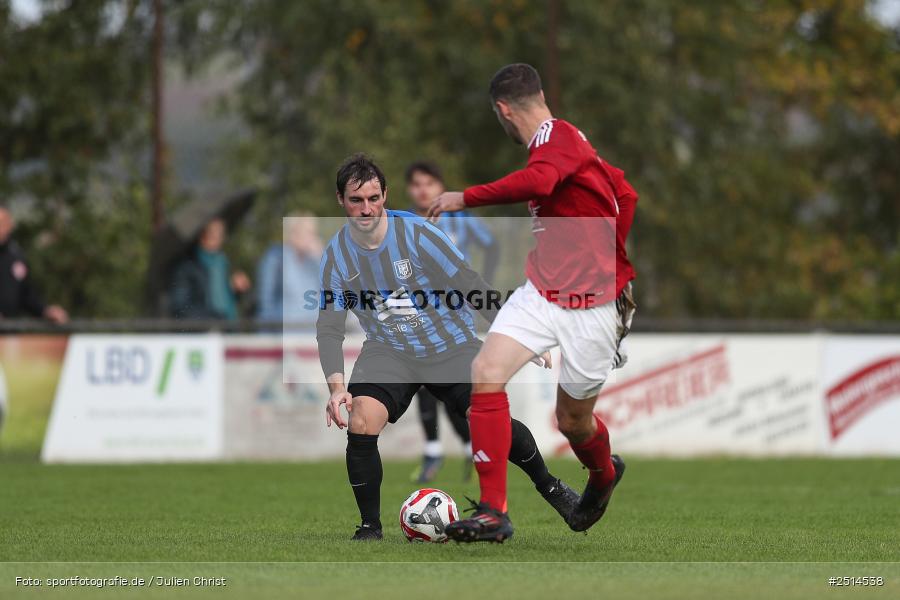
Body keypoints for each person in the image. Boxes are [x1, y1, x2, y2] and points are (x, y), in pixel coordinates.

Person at [317, 154, 579, 541]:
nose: (366, 208)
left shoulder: (419, 234)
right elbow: (329, 325)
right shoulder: (336, 256)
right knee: (360, 420)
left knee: (487, 419)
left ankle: (551, 487)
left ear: (385, 195)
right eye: (356, 200)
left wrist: (520, 332)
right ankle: (370, 527)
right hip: (390, 352)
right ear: (341, 200)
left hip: (451, 347)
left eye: (374, 198)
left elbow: (469, 283)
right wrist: (337, 388)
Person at [428, 63, 639, 543]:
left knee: (573, 422)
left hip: (593, 305)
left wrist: (466, 197)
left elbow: (541, 182)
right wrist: (610, 248)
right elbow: (626, 192)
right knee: (486, 372)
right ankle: (492, 512)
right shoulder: (568, 140)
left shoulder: (556, 138)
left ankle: (604, 475)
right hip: (542, 291)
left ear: (503, 110)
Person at [404, 160, 501, 483]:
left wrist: (481, 283)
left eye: (429, 183)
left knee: (453, 387)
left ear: (440, 187)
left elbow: (491, 245)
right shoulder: (402, 223)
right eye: (416, 184)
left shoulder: (460, 218)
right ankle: (433, 450)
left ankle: (470, 447)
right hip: (418, 313)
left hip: (456, 313)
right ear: (409, 190)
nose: (422, 190)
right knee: (421, 383)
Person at [169, 218, 251, 320]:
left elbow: (226, 302)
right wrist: (214, 319)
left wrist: (235, 290)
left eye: (221, 234)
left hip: (228, 331)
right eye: (215, 233)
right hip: (204, 332)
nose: (220, 238)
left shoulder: (223, 264)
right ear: (202, 235)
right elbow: (180, 308)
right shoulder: (186, 268)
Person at [0, 207, 68, 324]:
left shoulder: (16, 257)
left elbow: (26, 295)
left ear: (10, 225)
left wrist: (45, 311)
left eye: (3, 223)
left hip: (9, 334)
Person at [256, 212, 323, 326]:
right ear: (293, 233)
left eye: (314, 233)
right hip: (283, 332)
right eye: (308, 233)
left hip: (311, 333)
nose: (313, 238)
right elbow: (266, 300)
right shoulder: (276, 257)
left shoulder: (314, 261)